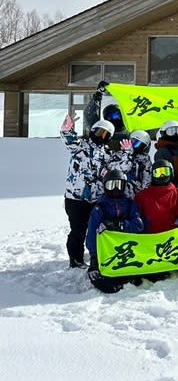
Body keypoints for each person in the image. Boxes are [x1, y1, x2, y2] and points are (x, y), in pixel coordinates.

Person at [61, 114, 115, 268]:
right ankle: (76, 259)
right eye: (99, 132)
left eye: (105, 134)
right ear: (92, 131)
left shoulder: (107, 155)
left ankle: (97, 256)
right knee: (78, 229)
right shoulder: (80, 146)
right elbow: (68, 140)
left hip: (95, 198)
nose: (100, 136)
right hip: (75, 198)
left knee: (97, 228)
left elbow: (115, 169)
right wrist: (67, 130)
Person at [86, 169, 145, 294]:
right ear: (105, 186)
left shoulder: (130, 205)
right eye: (111, 185)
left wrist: (120, 225)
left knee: (138, 280)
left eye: (119, 185)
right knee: (108, 284)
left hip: (128, 251)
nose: (115, 189)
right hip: (108, 254)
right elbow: (92, 236)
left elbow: (138, 225)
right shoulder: (99, 208)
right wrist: (94, 260)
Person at [134, 159, 178, 234]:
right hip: (149, 239)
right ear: (152, 175)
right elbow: (136, 220)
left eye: (165, 172)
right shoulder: (142, 196)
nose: (162, 176)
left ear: (171, 173)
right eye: (158, 173)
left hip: (172, 239)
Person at [155, 120, 178, 185]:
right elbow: (162, 173)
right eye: (171, 132)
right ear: (163, 133)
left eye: (177, 131)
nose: (175, 134)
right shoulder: (162, 152)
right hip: (173, 185)